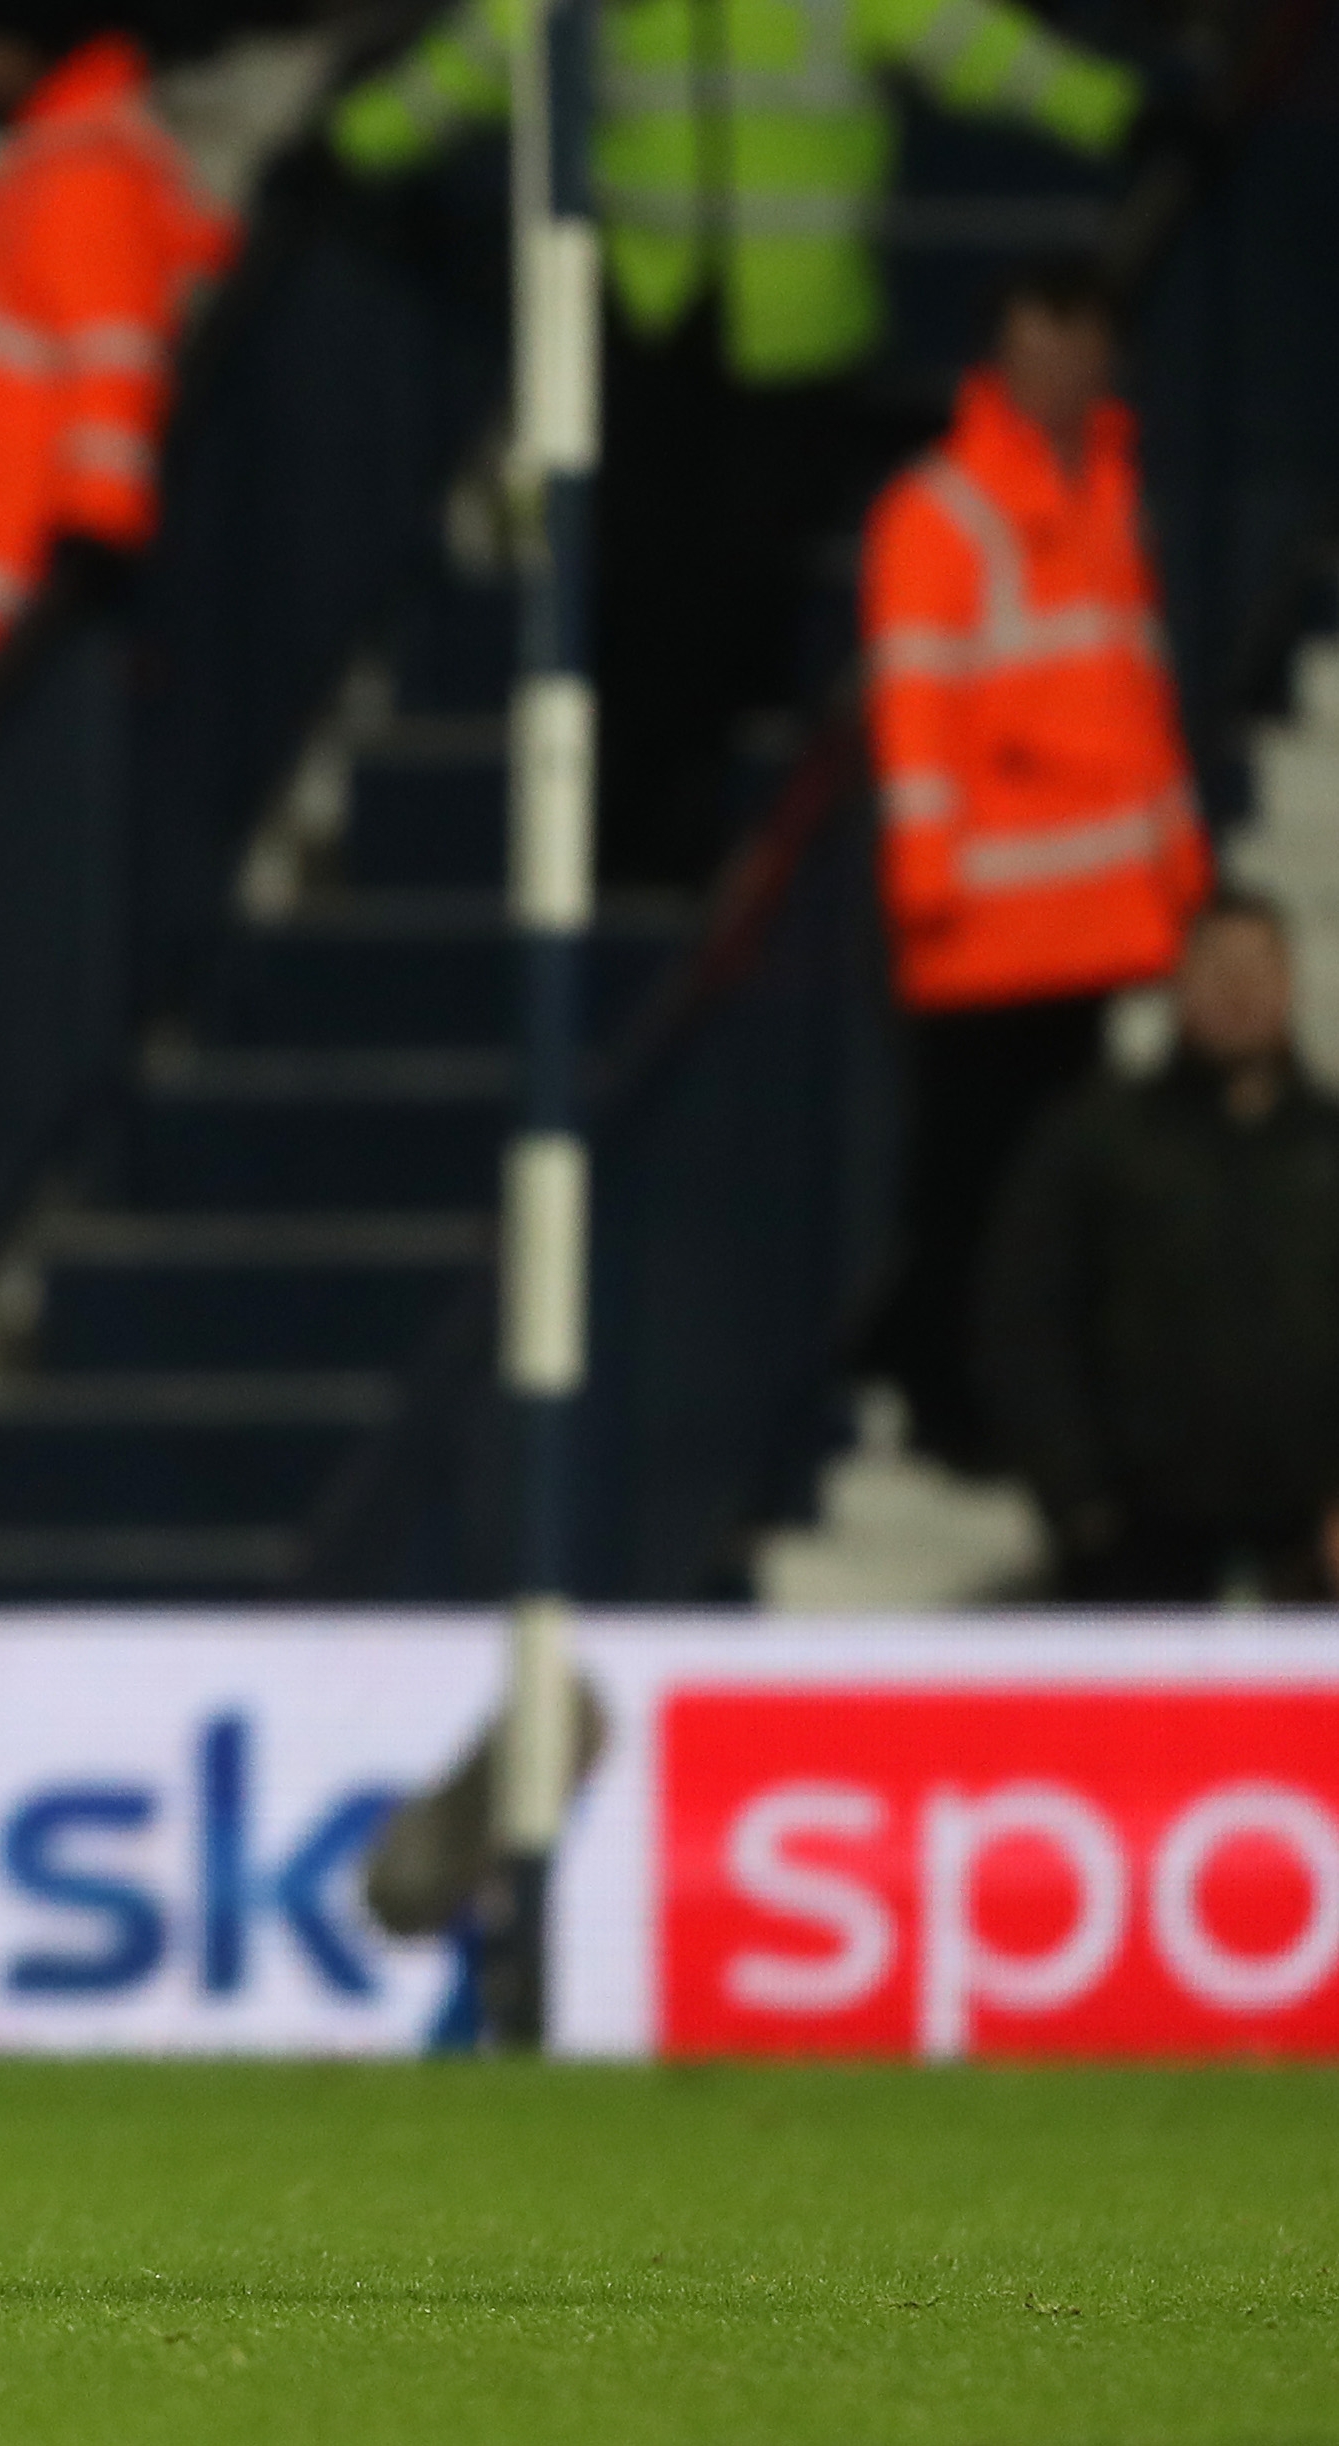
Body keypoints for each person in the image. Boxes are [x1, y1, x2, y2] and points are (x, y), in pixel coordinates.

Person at [332, 0, 1144, 885]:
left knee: (742, 566)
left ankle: (690, 806)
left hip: (797, 329)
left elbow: (973, 45)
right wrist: (348, 147)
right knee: (641, 575)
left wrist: (1116, 113)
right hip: (651, 311)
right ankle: (639, 822)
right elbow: (484, 53)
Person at [859, 258, 1206, 1471]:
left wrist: (1178, 869)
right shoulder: (942, 512)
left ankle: (1017, 1394)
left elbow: (1135, 695)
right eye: (1039, 340)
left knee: (1060, 1186)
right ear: (999, 356)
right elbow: (917, 711)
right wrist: (929, 882)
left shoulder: (1109, 493)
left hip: (1095, 915)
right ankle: (941, 1389)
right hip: (989, 921)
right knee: (973, 1178)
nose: (1063, 366)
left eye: (1083, 340)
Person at [0, 0, 235, 735]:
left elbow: (115, 362)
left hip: (10, 607)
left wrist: (93, 542)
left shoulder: (85, 169)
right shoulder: (53, 152)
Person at [976, 894, 1339, 1603]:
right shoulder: (1098, 1140)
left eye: (1258, 967)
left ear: (1289, 983)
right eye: (1218, 968)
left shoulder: (1327, 1144)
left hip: (1310, 1541)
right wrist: (1078, 1502)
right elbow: (1022, 1318)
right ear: (1179, 982)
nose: (1239, 989)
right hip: (1140, 1539)